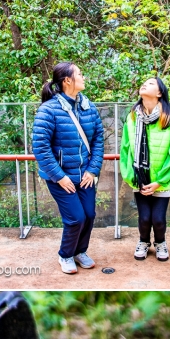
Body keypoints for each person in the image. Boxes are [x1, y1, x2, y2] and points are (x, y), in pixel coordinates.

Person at [32, 62, 105, 274]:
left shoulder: (88, 106)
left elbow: (98, 139)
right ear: (67, 81)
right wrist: (59, 176)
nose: (83, 77)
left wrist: (93, 170)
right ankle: (65, 255)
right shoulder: (48, 110)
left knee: (89, 215)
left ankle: (80, 251)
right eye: (80, 74)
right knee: (75, 218)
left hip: (85, 174)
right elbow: (41, 147)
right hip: (61, 177)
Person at [119, 77, 170, 262]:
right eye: (143, 82)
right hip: (140, 178)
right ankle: (144, 242)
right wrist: (132, 177)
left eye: (151, 83)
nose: (145, 84)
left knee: (159, 220)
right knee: (145, 218)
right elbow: (125, 149)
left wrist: (160, 181)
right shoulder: (132, 117)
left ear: (160, 92)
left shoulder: (169, 119)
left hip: (160, 180)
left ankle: (160, 242)